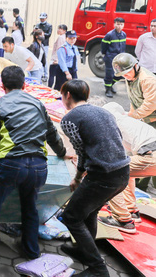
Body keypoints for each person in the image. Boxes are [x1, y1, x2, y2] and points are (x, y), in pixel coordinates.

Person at [0, 66, 67, 269]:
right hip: (39, 166)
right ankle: (31, 252)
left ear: (2, 86)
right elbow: (52, 134)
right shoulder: (38, 104)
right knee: (30, 209)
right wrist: (63, 153)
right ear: (24, 85)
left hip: (11, 165)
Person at [58, 80, 129, 277]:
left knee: (71, 217)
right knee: (89, 212)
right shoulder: (104, 111)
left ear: (68, 95)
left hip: (102, 176)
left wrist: (78, 177)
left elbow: (81, 152)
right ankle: (84, 252)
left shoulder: (70, 118)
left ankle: (98, 269)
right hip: (122, 172)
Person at [96, 102, 156, 233]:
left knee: (112, 174)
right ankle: (130, 209)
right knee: (126, 170)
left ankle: (122, 220)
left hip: (151, 155)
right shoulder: (129, 123)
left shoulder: (113, 122)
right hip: (150, 154)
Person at [113, 53, 156, 128]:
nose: (125, 76)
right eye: (122, 74)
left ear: (135, 66)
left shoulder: (147, 80)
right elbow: (133, 98)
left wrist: (133, 116)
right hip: (145, 118)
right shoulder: (130, 77)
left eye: (127, 73)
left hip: (153, 120)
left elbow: (150, 104)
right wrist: (130, 114)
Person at [102, 17, 126, 98]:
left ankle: (110, 85)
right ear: (114, 24)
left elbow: (123, 46)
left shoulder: (123, 35)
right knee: (109, 74)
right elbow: (104, 47)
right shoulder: (109, 35)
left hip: (119, 58)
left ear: (123, 25)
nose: (119, 26)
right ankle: (107, 89)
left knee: (120, 74)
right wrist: (106, 55)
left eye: (121, 24)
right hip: (110, 57)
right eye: (117, 24)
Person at [48, 25, 67, 89]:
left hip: (55, 59)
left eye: (60, 29)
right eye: (58, 28)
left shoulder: (61, 38)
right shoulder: (63, 37)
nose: (58, 30)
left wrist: (56, 59)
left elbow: (58, 49)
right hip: (59, 59)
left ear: (64, 31)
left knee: (52, 75)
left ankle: (49, 88)